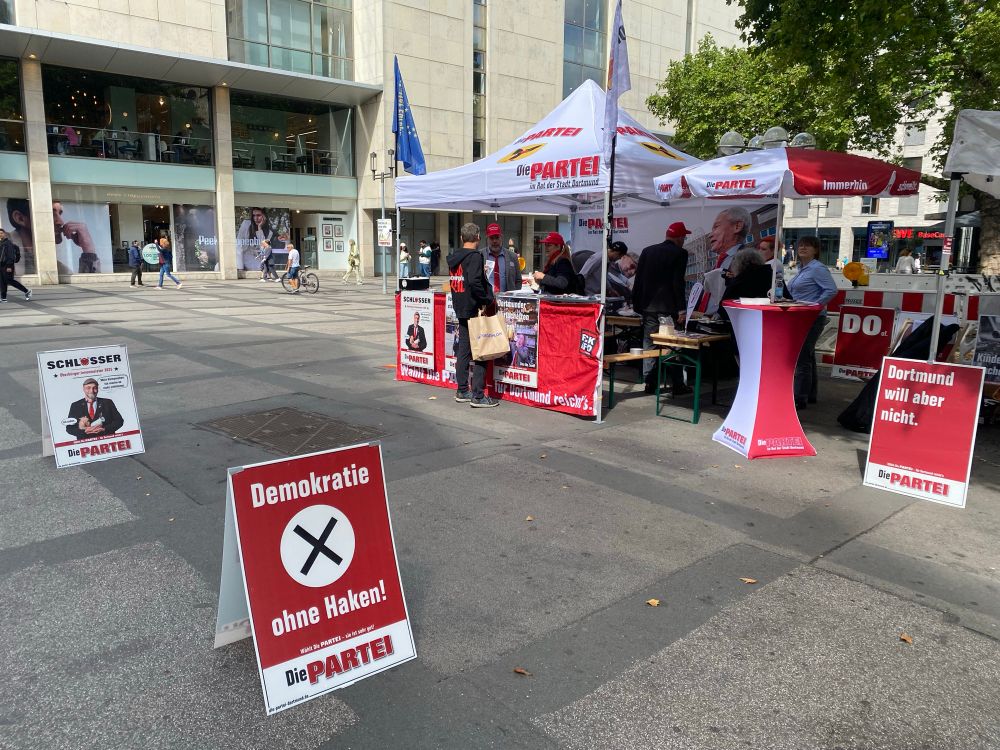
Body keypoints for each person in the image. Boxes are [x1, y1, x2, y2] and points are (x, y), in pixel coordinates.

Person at [633, 222, 691, 395]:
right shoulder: (680, 253)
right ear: (679, 238)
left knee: (649, 344)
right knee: (673, 344)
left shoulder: (647, 251)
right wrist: (682, 309)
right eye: (684, 237)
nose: (684, 241)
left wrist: (637, 305)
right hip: (669, 308)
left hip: (649, 307)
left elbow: (639, 280)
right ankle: (678, 384)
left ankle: (649, 382)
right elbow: (677, 282)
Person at [447, 222, 499, 408]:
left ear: (462, 238)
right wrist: (488, 299)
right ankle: (478, 395)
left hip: (460, 306)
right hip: (474, 307)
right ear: (478, 237)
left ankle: (462, 390)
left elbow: (463, 279)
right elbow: (475, 282)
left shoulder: (455, 257)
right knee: (481, 350)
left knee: (464, 350)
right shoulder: (475, 256)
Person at [785, 236, 837, 409]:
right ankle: (809, 394)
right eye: (800, 245)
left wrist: (815, 306)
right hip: (800, 316)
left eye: (807, 246)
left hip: (811, 317)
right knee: (807, 355)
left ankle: (799, 397)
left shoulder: (817, 269)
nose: (802, 248)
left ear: (816, 250)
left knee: (801, 357)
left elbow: (831, 290)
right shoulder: (801, 268)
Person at [53, 201, 100, 273]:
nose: (61, 222)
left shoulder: (61, 269)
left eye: (60, 213)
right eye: (51, 214)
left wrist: (88, 249)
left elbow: (90, 279)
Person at [709, 206, 753, 273]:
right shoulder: (716, 265)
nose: (710, 235)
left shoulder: (750, 262)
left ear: (737, 226)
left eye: (716, 227)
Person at [482, 223, 520, 293]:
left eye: (497, 237)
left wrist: (514, 295)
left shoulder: (512, 256)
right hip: (486, 298)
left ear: (501, 238)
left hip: (507, 299)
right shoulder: (480, 255)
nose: (494, 241)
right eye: (491, 238)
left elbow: (518, 280)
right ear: (487, 239)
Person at [236, 207, 275, 272]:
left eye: (258, 215)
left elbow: (263, 247)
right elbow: (238, 245)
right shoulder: (246, 224)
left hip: (257, 258)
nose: (255, 218)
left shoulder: (269, 232)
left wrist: (259, 229)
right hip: (244, 255)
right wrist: (240, 267)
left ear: (264, 217)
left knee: (263, 267)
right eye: (254, 215)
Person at [0, 227, 31, 303]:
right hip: (1, 265)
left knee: (9, 280)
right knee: (2, 281)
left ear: (4, 234)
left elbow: (10, 255)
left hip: (7, 265)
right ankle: (3, 298)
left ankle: (26, 291)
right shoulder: (1, 243)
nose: (0, 235)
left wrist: (9, 266)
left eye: (1, 233)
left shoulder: (8, 243)